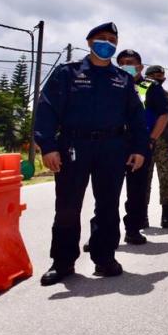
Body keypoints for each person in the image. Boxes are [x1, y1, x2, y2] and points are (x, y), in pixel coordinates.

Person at [35, 22, 146, 285]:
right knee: (67, 206)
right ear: (89, 42)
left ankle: (105, 258)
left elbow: (137, 119)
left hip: (112, 148)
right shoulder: (67, 73)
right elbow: (47, 110)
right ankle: (62, 263)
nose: (106, 43)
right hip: (73, 146)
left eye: (112, 39)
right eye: (101, 38)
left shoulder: (123, 79)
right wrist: (48, 147)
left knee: (108, 205)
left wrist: (139, 149)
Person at [116, 49, 168, 243]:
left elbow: (164, 115)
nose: (125, 65)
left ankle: (133, 229)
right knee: (107, 192)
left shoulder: (151, 87)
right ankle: (104, 233)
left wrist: (151, 139)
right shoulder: (112, 83)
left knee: (136, 191)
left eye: (129, 62)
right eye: (121, 62)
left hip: (139, 144)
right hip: (113, 143)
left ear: (140, 66)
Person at [143, 65, 168, 228]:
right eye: (153, 75)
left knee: (166, 179)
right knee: (143, 180)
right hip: (144, 142)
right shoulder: (140, 94)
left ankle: (166, 214)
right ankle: (142, 214)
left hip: (166, 144)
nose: (157, 78)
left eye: (160, 75)